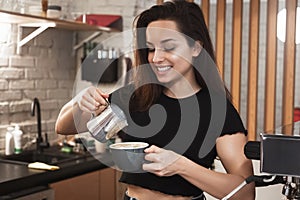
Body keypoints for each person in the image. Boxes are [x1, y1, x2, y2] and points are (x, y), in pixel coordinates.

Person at [55, 1, 255, 200]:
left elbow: (245, 193)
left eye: (168, 47)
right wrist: (82, 101)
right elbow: (63, 126)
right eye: (150, 48)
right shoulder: (136, 96)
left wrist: (180, 165)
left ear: (195, 47)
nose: (156, 58)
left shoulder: (218, 111)